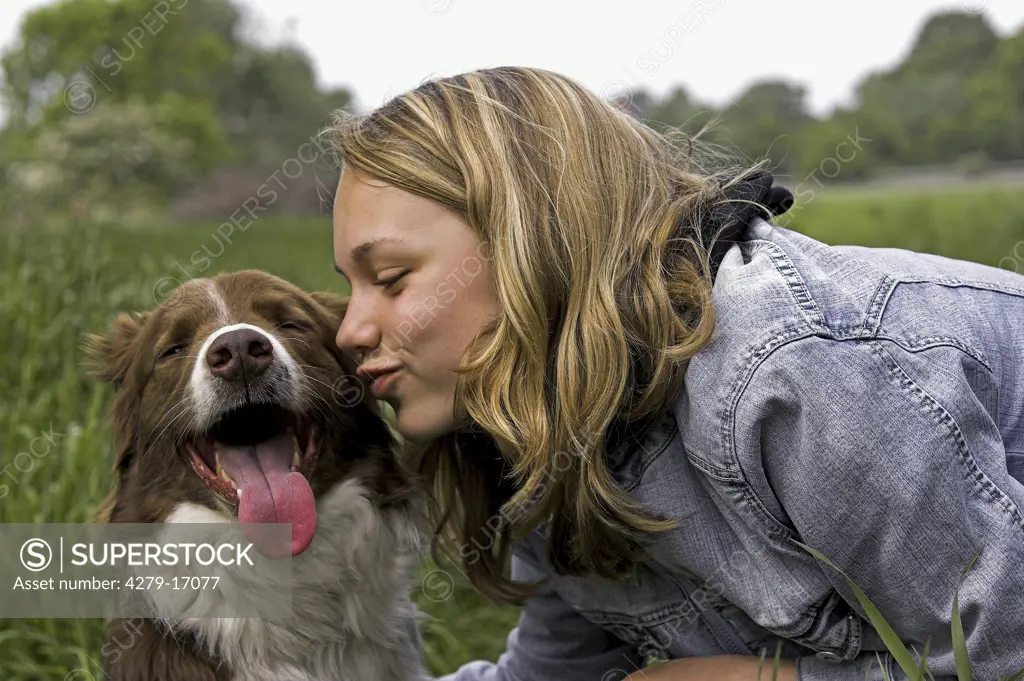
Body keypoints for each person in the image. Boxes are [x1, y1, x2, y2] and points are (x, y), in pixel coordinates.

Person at [324, 66, 1024, 681]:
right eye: (350, 286)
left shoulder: (790, 372)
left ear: (532, 247)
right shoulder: (540, 428)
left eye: (390, 278)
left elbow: (1003, 655)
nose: (350, 329)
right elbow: (552, 672)